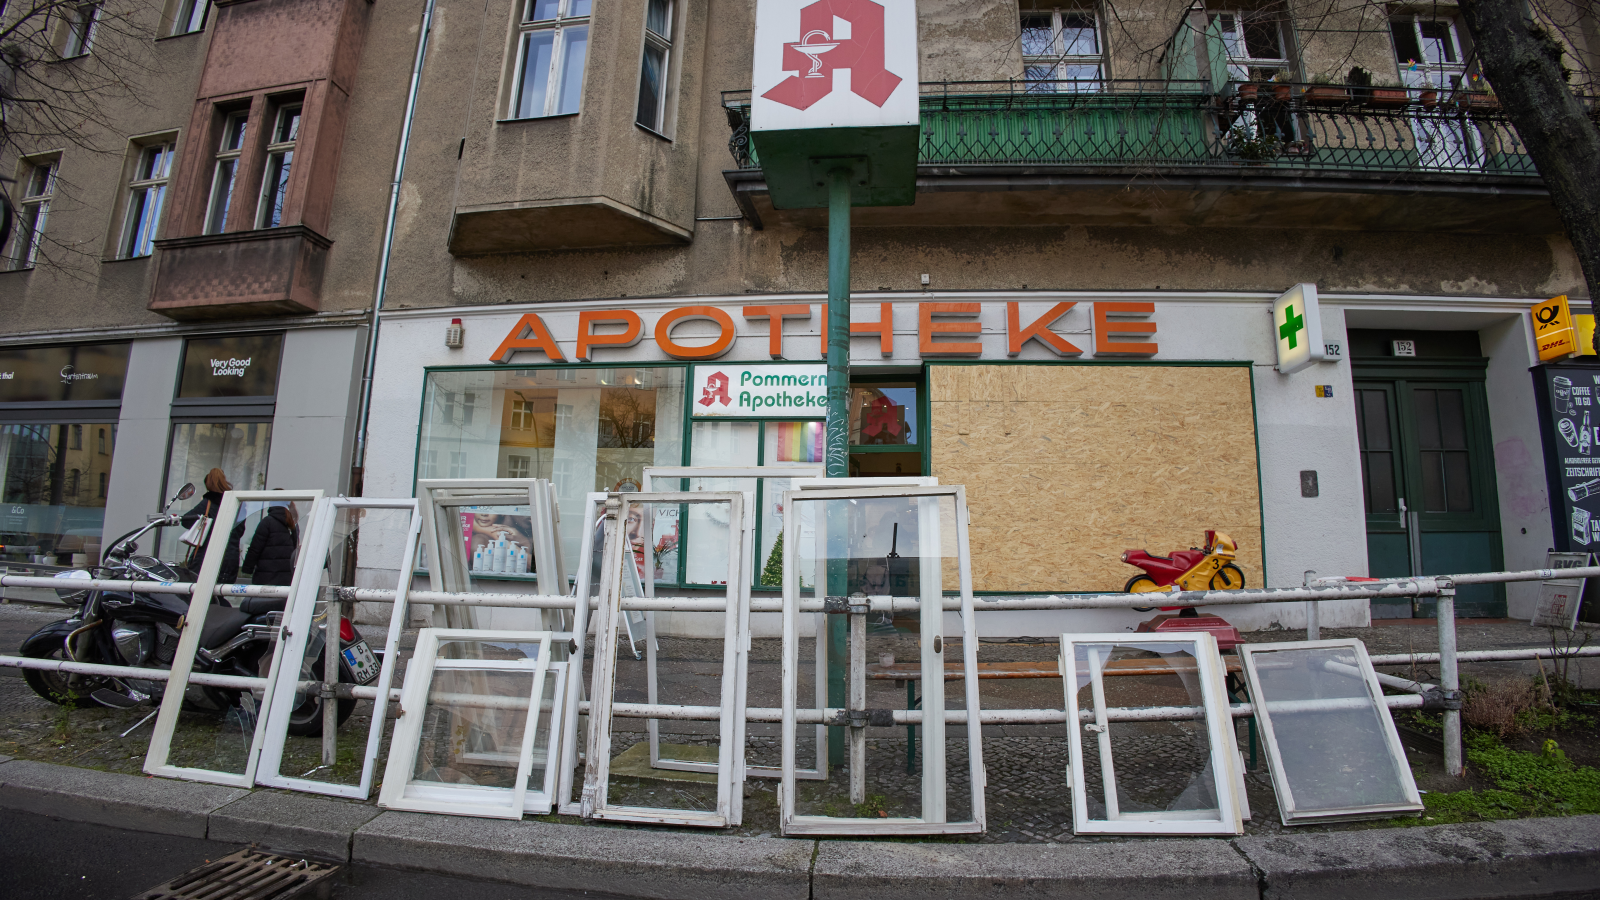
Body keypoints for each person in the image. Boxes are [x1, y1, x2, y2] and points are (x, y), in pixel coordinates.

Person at [179, 468, 230, 572]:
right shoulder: (235, 504)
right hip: (229, 558)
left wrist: (202, 523)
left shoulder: (208, 503)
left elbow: (185, 521)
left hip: (206, 555)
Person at [242, 498, 300, 586]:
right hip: (286, 577)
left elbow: (255, 548)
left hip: (265, 577)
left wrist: (247, 569)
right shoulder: (292, 523)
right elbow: (295, 548)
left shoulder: (267, 522)